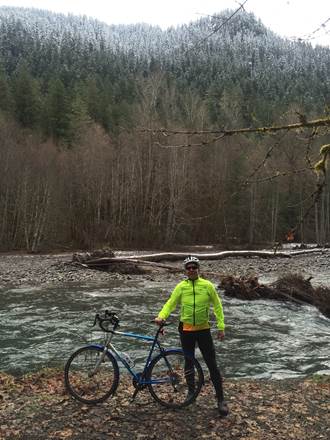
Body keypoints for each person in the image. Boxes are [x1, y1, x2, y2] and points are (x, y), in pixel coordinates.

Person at [155, 256, 229, 416]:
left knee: (212, 364)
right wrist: (161, 316)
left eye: (194, 267)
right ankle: (191, 392)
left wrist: (221, 326)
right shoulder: (181, 287)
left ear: (198, 269)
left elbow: (217, 306)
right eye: (188, 268)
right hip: (186, 330)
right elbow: (170, 303)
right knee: (189, 362)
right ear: (185, 270)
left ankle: (221, 399)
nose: (191, 270)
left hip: (203, 330)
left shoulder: (207, 285)